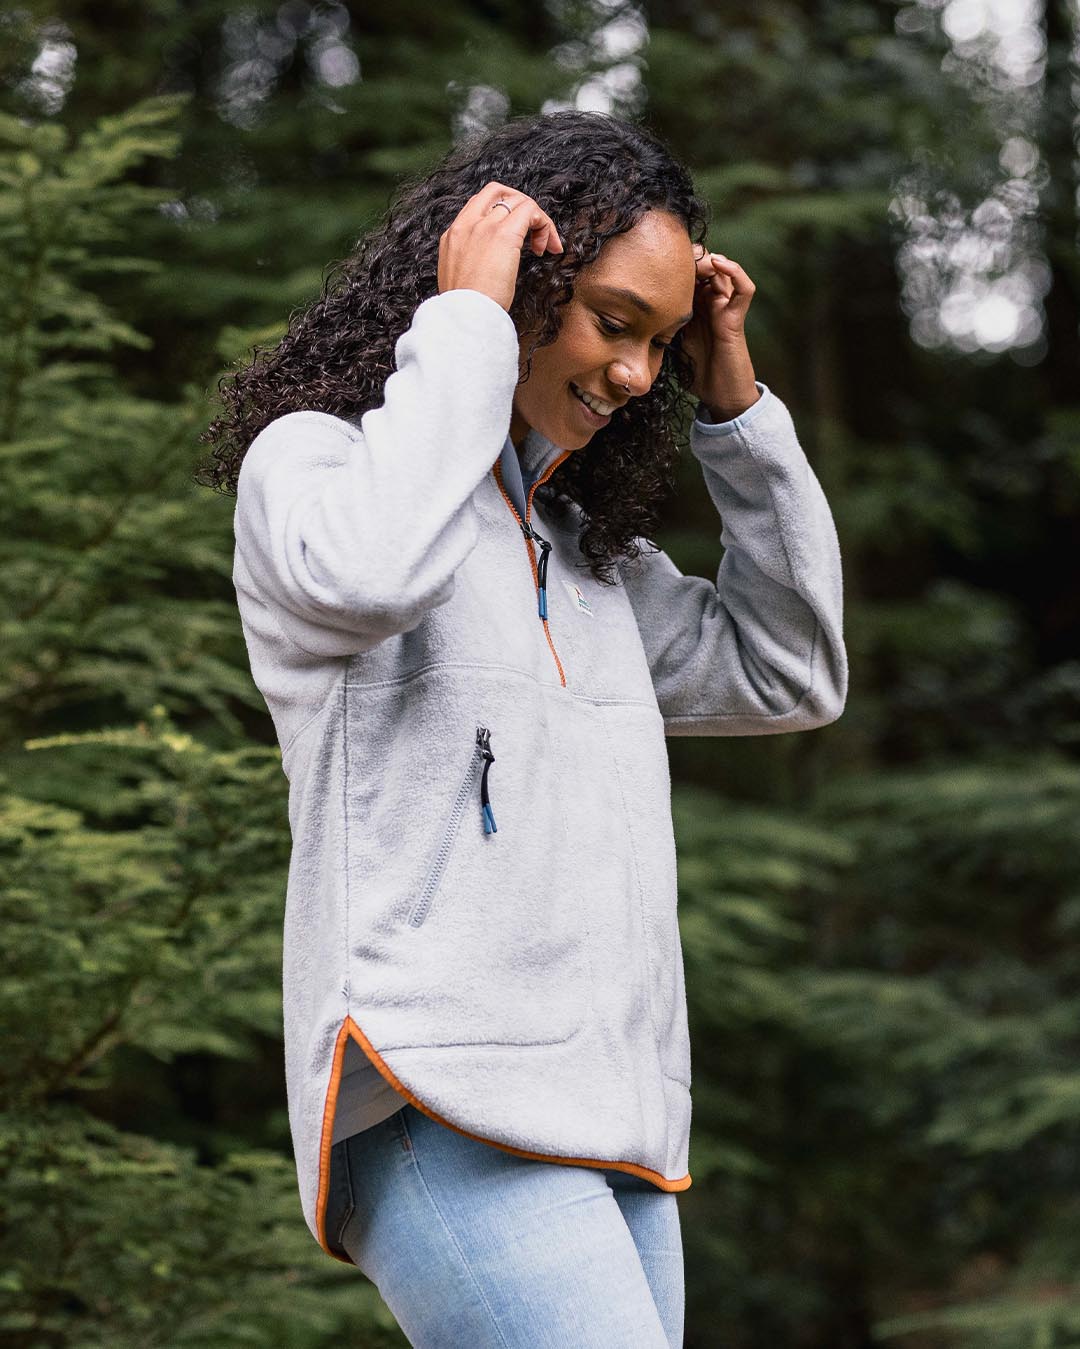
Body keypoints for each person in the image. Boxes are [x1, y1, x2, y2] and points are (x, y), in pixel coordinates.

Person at [198, 108, 847, 1347]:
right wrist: (464, 319)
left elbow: (790, 670)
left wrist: (736, 407)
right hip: (439, 1089)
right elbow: (371, 575)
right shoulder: (318, 468)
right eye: (613, 321)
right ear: (524, 284)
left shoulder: (590, 559)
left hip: (617, 1115)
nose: (636, 374)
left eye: (661, 343)